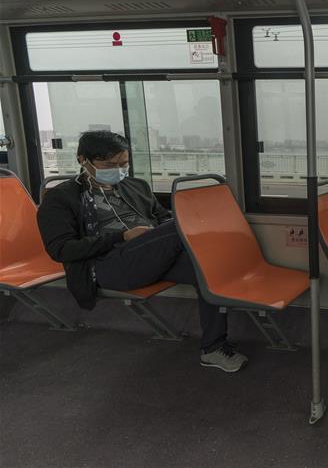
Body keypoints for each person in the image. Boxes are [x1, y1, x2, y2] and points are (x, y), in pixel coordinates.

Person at [37, 130, 247, 373]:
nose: (118, 170)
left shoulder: (136, 186)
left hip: (149, 254)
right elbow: (61, 250)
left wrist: (155, 235)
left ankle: (213, 348)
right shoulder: (61, 198)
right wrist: (122, 236)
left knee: (205, 270)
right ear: (83, 160)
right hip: (105, 265)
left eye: (123, 164)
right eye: (109, 165)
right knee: (180, 227)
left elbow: (162, 217)